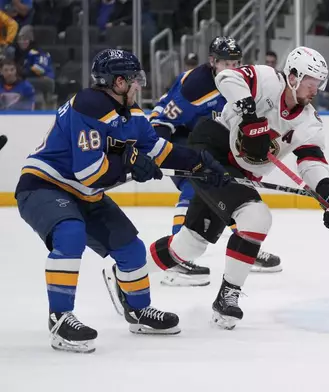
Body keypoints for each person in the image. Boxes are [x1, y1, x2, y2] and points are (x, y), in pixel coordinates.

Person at [14, 49, 229, 353]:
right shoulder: (88, 105)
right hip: (44, 185)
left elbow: (158, 150)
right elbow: (89, 172)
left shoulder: (133, 115)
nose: (139, 85)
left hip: (84, 194)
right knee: (70, 233)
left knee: (131, 248)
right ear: (118, 82)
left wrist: (200, 164)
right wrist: (129, 163)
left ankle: (139, 311)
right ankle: (60, 318)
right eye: (134, 80)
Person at [147, 46, 329, 330]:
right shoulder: (267, 79)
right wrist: (248, 113)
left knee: (191, 244)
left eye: (319, 83)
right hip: (212, 149)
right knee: (256, 216)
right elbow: (227, 78)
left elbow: (312, 161)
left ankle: (127, 273)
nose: (315, 88)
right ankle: (227, 298)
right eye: (310, 81)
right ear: (292, 75)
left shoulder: (309, 122)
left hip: (239, 170)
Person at [150, 37, 282, 284]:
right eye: (227, 63)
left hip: (214, 143)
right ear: (213, 62)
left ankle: (246, 244)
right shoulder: (195, 87)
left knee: (233, 190)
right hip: (185, 142)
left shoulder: (243, 83)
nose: (234, 68)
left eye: (237, 62)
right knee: (194, 187)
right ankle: (177, 261)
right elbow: (161, 121)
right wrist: (158, 151)